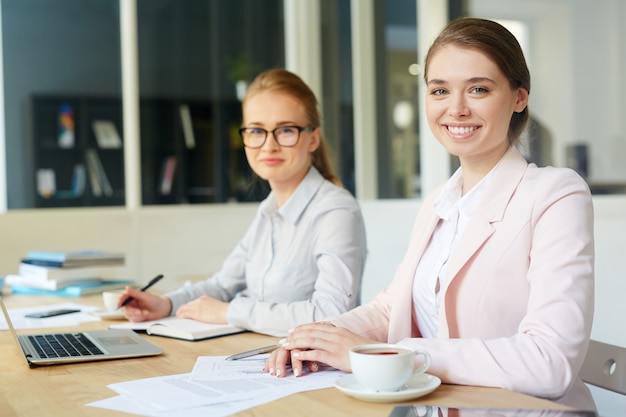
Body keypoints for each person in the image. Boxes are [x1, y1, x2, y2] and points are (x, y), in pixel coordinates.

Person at [264, 17, 595, 411]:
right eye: (440, 90)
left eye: (478, 89)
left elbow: (549, 362)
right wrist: (317, 336)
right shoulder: (441, 201)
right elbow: (391, 306)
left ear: (519, 97)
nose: (456, 108)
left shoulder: (556, 193)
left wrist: (389, 354)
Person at [119, 68, 367, 337]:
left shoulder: (336, 210)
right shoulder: (269, 211)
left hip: (312, 370)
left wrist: (230, 312)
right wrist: (166, 303)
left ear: (313, 139)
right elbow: (223, 285)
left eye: (285, 130)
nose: (268, 145)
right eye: (257, 131)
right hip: (259, 357)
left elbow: (331, 314)